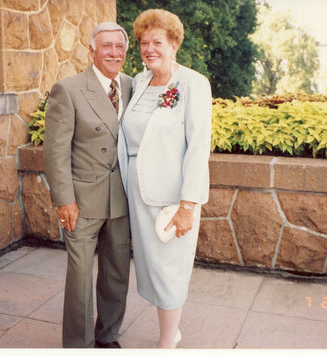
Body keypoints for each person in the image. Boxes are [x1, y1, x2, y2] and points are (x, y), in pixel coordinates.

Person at [118, 9, 212, 348]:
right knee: (153, 270)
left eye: (157, 41)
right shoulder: (140, 83)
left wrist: (188, 205)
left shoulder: (193, 84)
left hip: (173, 200)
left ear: (174, 44)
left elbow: (198, 148)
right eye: (144, 42)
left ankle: (166, 342)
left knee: (170, 270)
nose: (149, 48)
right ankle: (170, 331)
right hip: (138, 195)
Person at [43, 22, 132, 349]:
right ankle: (78, 345)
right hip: (81, 201)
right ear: (91, 50)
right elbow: (55, 151)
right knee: (80, 279)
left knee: (116, 274)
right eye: (106, 46)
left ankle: (108, 336)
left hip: (121, 200)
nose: (113, 52)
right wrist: (64, 200)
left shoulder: (133, 86)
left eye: (119, 46)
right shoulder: (68, 89)